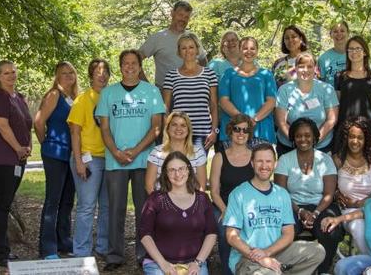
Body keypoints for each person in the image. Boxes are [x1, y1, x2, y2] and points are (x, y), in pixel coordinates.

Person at [97, 49, 166, 271]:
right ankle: (115, 255)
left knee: (144, 210)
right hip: (115, 160)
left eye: (133, 63)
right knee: (115, 208)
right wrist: (116, 151)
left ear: (139, 66)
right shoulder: (108, 93)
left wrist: (135, 151)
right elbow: (105, 128)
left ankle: (144, 254)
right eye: (125, 63)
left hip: (144, 160)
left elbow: (157, 127)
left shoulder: (152, 91)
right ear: (120, 66)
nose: (129, 67)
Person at [223, 143, 325, 275]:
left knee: (317, 251)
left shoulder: (282, 194)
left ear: (275, 164)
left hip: (275, 252)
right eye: (260, 161)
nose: (264, 166)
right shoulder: (239, 194)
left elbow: (288, 234)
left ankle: (279, 270)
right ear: (252, 163)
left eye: (268, 161)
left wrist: (267, 253)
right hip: (247, 258)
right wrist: (261, 258)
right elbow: (231, 237)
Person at [273, 118, 343, 274]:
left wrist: (315, 213)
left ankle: (323, 270)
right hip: (291, 206)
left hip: (321, 206)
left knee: (330, 230)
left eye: (307, 135)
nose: (303, 139)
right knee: (282, 231)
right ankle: (285, 268)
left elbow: (329, 194)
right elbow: (281, 194)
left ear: (314, 137)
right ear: (293, 138)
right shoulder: (285, 160)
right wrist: (299, 212)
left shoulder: (325, 160)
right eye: (298, 136)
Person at [138, 151, 218, 275]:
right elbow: (145, 234)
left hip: (194, 264)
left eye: (181, 168)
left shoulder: (202, 199)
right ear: (165, 173)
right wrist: (163, 264)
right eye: (172, 170)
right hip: (158, 264)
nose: (177, 174)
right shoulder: (155, 199)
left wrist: (197, 263)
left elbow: (211, 233)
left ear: (188, 170)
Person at [0, 60, 32, 267]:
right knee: (3, 206)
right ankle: (1, 254)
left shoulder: (19, 97)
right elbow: (2, 126)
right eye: (5, 73)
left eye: (13, 71)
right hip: (2, 159)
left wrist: (27, 146)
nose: (11, 75)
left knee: (3, 205)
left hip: (18, 158)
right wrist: (18, 148)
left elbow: (26, 125)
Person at [66, 58, 111, 258]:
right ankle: (81, 251)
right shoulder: (83, 100)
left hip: (110, 158)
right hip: (88, 158)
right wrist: (78, 162)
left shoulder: (111, 97)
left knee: (107, 206)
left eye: (105, 71)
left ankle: (102, 247)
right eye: (97, 71)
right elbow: (74, 133)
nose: (101, 75)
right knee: (86, 206)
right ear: (91, 75)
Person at [34, 61, 79, 259]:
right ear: (57, 76)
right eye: (64, 73)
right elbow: (38, 122)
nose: (69, 76)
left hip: (71, 155)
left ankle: (64, 241)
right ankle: (48, 247)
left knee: (67, 200)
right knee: (53, 200)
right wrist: (46, 143)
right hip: (55, 153)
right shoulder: (54, 95)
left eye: (71, 72)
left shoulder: (75, 98)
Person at [209, 114, 256, 275]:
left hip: (249, 207)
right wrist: (226, 210)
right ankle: (227, 270)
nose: (241, 133)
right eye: (237, 129)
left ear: (250, 133)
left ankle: (251, 267)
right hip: (223, 205)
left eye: (245, 130)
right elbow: (214, 191)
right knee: (225, 230)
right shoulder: (219, 157)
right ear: (230, 131)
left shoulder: (254, 157)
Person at [331, 116, 371, 255]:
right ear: (346, 137)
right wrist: (336, 194)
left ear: (367, 139)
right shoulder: (337, 160)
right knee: (359, 227)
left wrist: (362, 202)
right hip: (349, 212)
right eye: (352, 136)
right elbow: (328, 187)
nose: (355, 141)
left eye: (360, 137)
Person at [162, 32, 219, 150]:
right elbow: (165, 108)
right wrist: (167, 131)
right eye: (184, 48)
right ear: (179, 51)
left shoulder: (209, 74)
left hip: (202, 133)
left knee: (199, 168)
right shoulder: (171, 75)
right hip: (178, 132)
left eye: (191, 47)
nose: (188, 51)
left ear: (197, 49)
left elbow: (213, 105)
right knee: (178, 167)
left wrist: (214, 131)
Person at [275, 52, 339, 156]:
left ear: (315, 68)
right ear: (295, 68)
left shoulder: (326, 89)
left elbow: (332, 120)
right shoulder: (285, 90)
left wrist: (315, 141)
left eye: (309, 66)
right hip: (289, 146)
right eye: (301, 66)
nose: (305, 70)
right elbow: (281, 122)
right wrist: (296, 141)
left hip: (321, 146)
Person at [219, 36, 278, 144]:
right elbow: (223, 101)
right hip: (234, 131)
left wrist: (254, 119)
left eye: (252, 48)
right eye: (245, 48)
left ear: (257, 51)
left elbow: (271, 101)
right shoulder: (228, 74)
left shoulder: (266, 75)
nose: (249, 51)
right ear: (239, 50)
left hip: (261, 130)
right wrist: (242, 120)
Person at [140, 0, 207, 88]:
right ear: (172, 13)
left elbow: (203, 60)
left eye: (186, 17)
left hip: (191, 91)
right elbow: (135, 59)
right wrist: (148, 87)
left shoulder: (192, 38)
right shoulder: (158, 38)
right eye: (180, 15)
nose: (183, 19)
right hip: (165, 92)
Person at [334, 35, 371, 152]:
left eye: (358, 48)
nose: (354, 52)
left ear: (365, 52)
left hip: (366, 129)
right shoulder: (340, 76)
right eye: (350, 49)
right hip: (344, 129)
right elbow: (339, 104)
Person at [145, 111, 208, 194]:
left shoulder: (198, 153)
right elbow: (149, 186)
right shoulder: (156, 152)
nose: (179, 128)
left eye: (183, 125)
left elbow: (201, 187)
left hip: (190, 202)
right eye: (174, 124)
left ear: (188, 130)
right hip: (162, 203)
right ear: (167, 128)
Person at [318, 21, 350, 86]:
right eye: (335, 31)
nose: (339, 34)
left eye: (342, 31)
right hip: (331, 95)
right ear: (331, 35)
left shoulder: (356, 54)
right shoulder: (323, 59)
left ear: (348, 33)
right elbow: (321, 84)